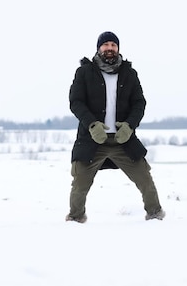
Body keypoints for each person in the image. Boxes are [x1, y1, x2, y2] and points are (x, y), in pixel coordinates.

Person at [66, 31, 165, 223]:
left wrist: (129, 126)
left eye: (113, 45)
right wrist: (92, 124)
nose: (109, 48)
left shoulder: (129, 73)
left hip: (123, 139)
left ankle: (155, 215)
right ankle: (75, 219)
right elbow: (76, 101)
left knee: (144, 177)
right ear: (99, 48)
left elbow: (139, 103)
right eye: (106, 45)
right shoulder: (85, 72)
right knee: (80, 182)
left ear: (118, 48)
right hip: (92, 139)